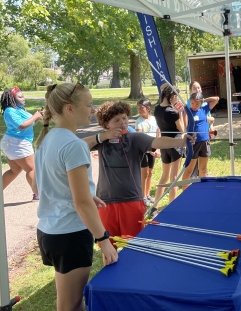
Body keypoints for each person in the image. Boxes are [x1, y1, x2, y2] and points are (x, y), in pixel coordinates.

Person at [32, 83, 118, 311]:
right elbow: (81, 204)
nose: (92, 110)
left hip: (50, 231)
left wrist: (88, 195)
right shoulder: (73, 145)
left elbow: (39, 184)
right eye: (89, 105)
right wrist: (104, 240)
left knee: (70, 303)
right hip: (70, 234)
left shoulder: (45, 140)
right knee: (70, 306)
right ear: (70, 108)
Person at [83, 101, 193, 239]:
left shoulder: (134, 138)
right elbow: (77, 145)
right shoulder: (101, 141)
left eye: (124, 118)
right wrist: (102, 136)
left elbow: (157, 142)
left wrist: (181, 142)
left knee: (134, 243)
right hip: (106, 202)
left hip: (131, 200)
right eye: (116, 120)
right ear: (106, 125)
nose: (122, 122)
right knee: (108, 244)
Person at [0, 86, 43, 200]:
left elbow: (29, 124)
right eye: (20, 97)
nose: (23, 98)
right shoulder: (10, 111)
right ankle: (38, 193)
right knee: (32, 169)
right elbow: (22, 125)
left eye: (23, 96)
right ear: (12, 99)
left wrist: (39, 116)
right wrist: (35, 116)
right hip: (17, 143)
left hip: (14, 143)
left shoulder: (19, 110)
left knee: (15, 170)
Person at [153, 85, 186, 211]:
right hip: (175, 144)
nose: (177, 99)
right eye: (176, 96)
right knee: (174, 178)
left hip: (163, 144)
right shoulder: (172, 112)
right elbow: (182, 129)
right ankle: (172, 206)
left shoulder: (157, 109)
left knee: (164, 176)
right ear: (172, 96)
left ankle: (155, 205)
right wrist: (180, 112)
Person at [182, 92, 219, 188]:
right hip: (193, 143)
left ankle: (204, 189)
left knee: (203, 169)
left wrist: (203, 100)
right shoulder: (188, 111)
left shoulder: (204, 109)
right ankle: (184, 191)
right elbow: (184, 126)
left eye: (197, 104)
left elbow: (216, 98)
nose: (194, 105)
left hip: (205, 142)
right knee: (189, 169)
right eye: (192, 103)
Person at [135, 98, 161, 206]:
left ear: (148, 108)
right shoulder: (138, 122)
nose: (139, 110)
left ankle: (148, 194)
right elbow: (139, 138)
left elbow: (158, 132)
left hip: (153, 148)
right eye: (138, 108)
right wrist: (149, 150)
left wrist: (158, 149)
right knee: (144, 174)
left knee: (150, 173)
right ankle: (142, 196)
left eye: (141, 108)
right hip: (142, 151)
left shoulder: (154, 119)